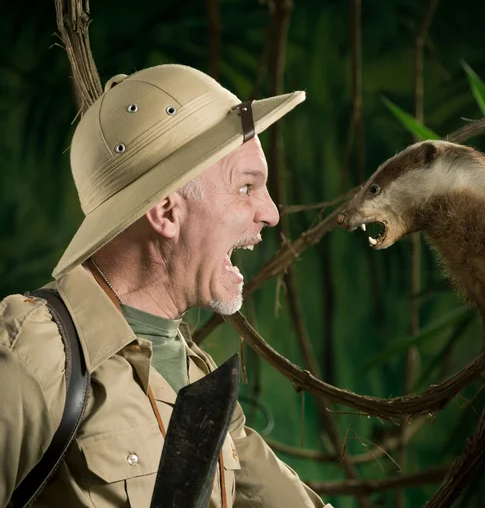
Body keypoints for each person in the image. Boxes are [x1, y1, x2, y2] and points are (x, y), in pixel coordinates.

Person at [0, 64, 333, 508]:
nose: (270, 213)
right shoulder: (34, 351)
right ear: (166, 213)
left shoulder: (196, 373)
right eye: (246, 187)